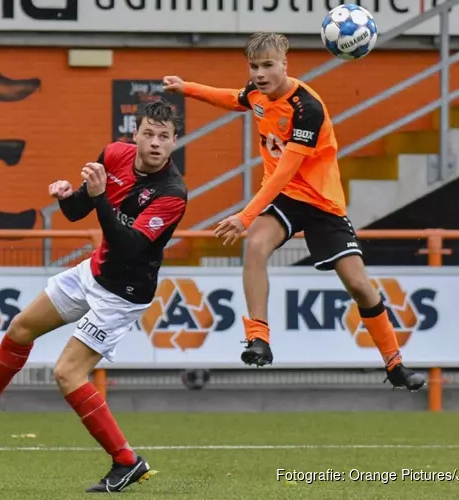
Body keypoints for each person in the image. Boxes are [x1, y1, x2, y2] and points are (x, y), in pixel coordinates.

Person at [0, 100, 188, 493]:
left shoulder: (172, 193)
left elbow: (129, 246)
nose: (154, 143)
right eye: (148, 133)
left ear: (174, 142)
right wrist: (68, 195)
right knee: (21, 327)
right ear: (135, 134)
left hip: (123, 293)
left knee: (67, 373)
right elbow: (77, 212)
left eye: (163, 137)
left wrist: (97, 199)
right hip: (93, 272)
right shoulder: (115, 154)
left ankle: (127, 461)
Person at [163, 33, 425, 391]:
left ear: (285, 64)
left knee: (360, 286)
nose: (260, 73)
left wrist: (245, 215)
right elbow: (233, 98)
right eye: (254, 66)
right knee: (255, 246)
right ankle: (258, 339)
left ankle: (395, 364)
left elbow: (286, 169)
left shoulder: (307, 108)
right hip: (284, 197)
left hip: (321, 203)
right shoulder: (256, 93)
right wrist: (187, 88)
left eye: (268, 65)